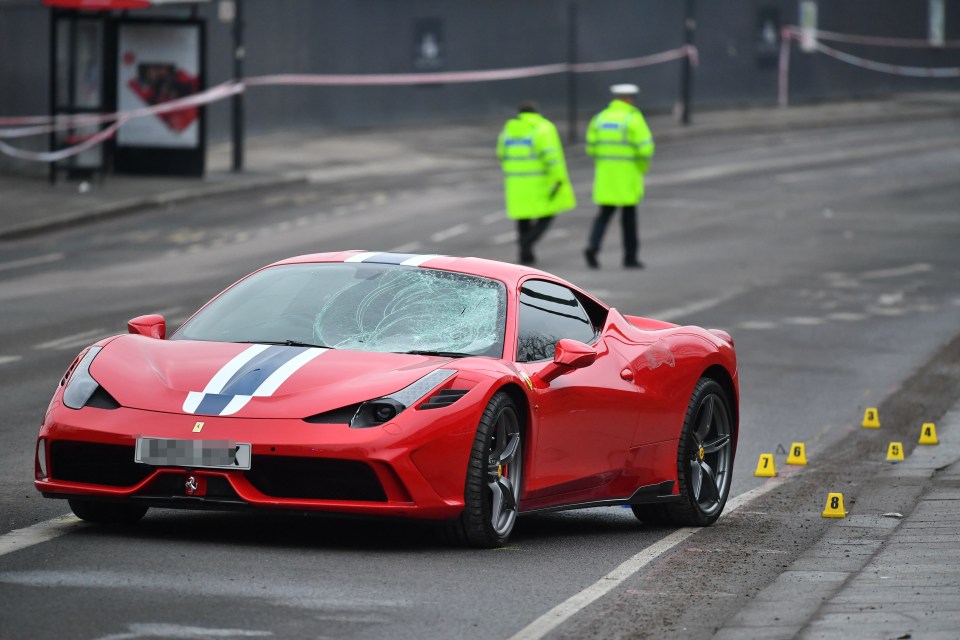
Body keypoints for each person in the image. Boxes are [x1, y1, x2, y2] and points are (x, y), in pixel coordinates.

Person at [584, 84, 655, 269]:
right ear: (629, 98)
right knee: (629, 220)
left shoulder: (600, 118)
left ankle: (593, 246)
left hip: (606, 176)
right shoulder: (633, 118)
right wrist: (641, 168)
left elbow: (591, 148)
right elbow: (646, 149)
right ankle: (630, 257)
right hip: (628, 177)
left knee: (604, 216)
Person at [497, 101, 577, 265]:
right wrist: (559, 179)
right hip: (539, 181)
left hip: (516, 182)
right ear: (536, 112)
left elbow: (501, 154)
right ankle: (527, 243)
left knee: (522, 217)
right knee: (548, 213)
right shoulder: (543, 128)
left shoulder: (508, 131)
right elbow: (552, 157)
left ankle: (525, 253)